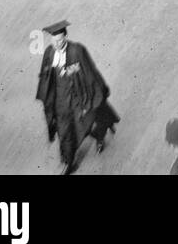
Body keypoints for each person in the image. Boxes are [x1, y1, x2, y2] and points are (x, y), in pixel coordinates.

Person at [35, 20, 119, 174]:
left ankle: (99, 135)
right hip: (60, 101)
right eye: (54, 41)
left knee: (86, 124)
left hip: (79, 98)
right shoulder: (49, 52)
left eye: (60, 40)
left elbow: (90, 71)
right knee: (64, 131)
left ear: (65, 37)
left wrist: (72, 71)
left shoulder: (77, 50)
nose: (57, 44)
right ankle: (68, 162)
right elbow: (45, 75)